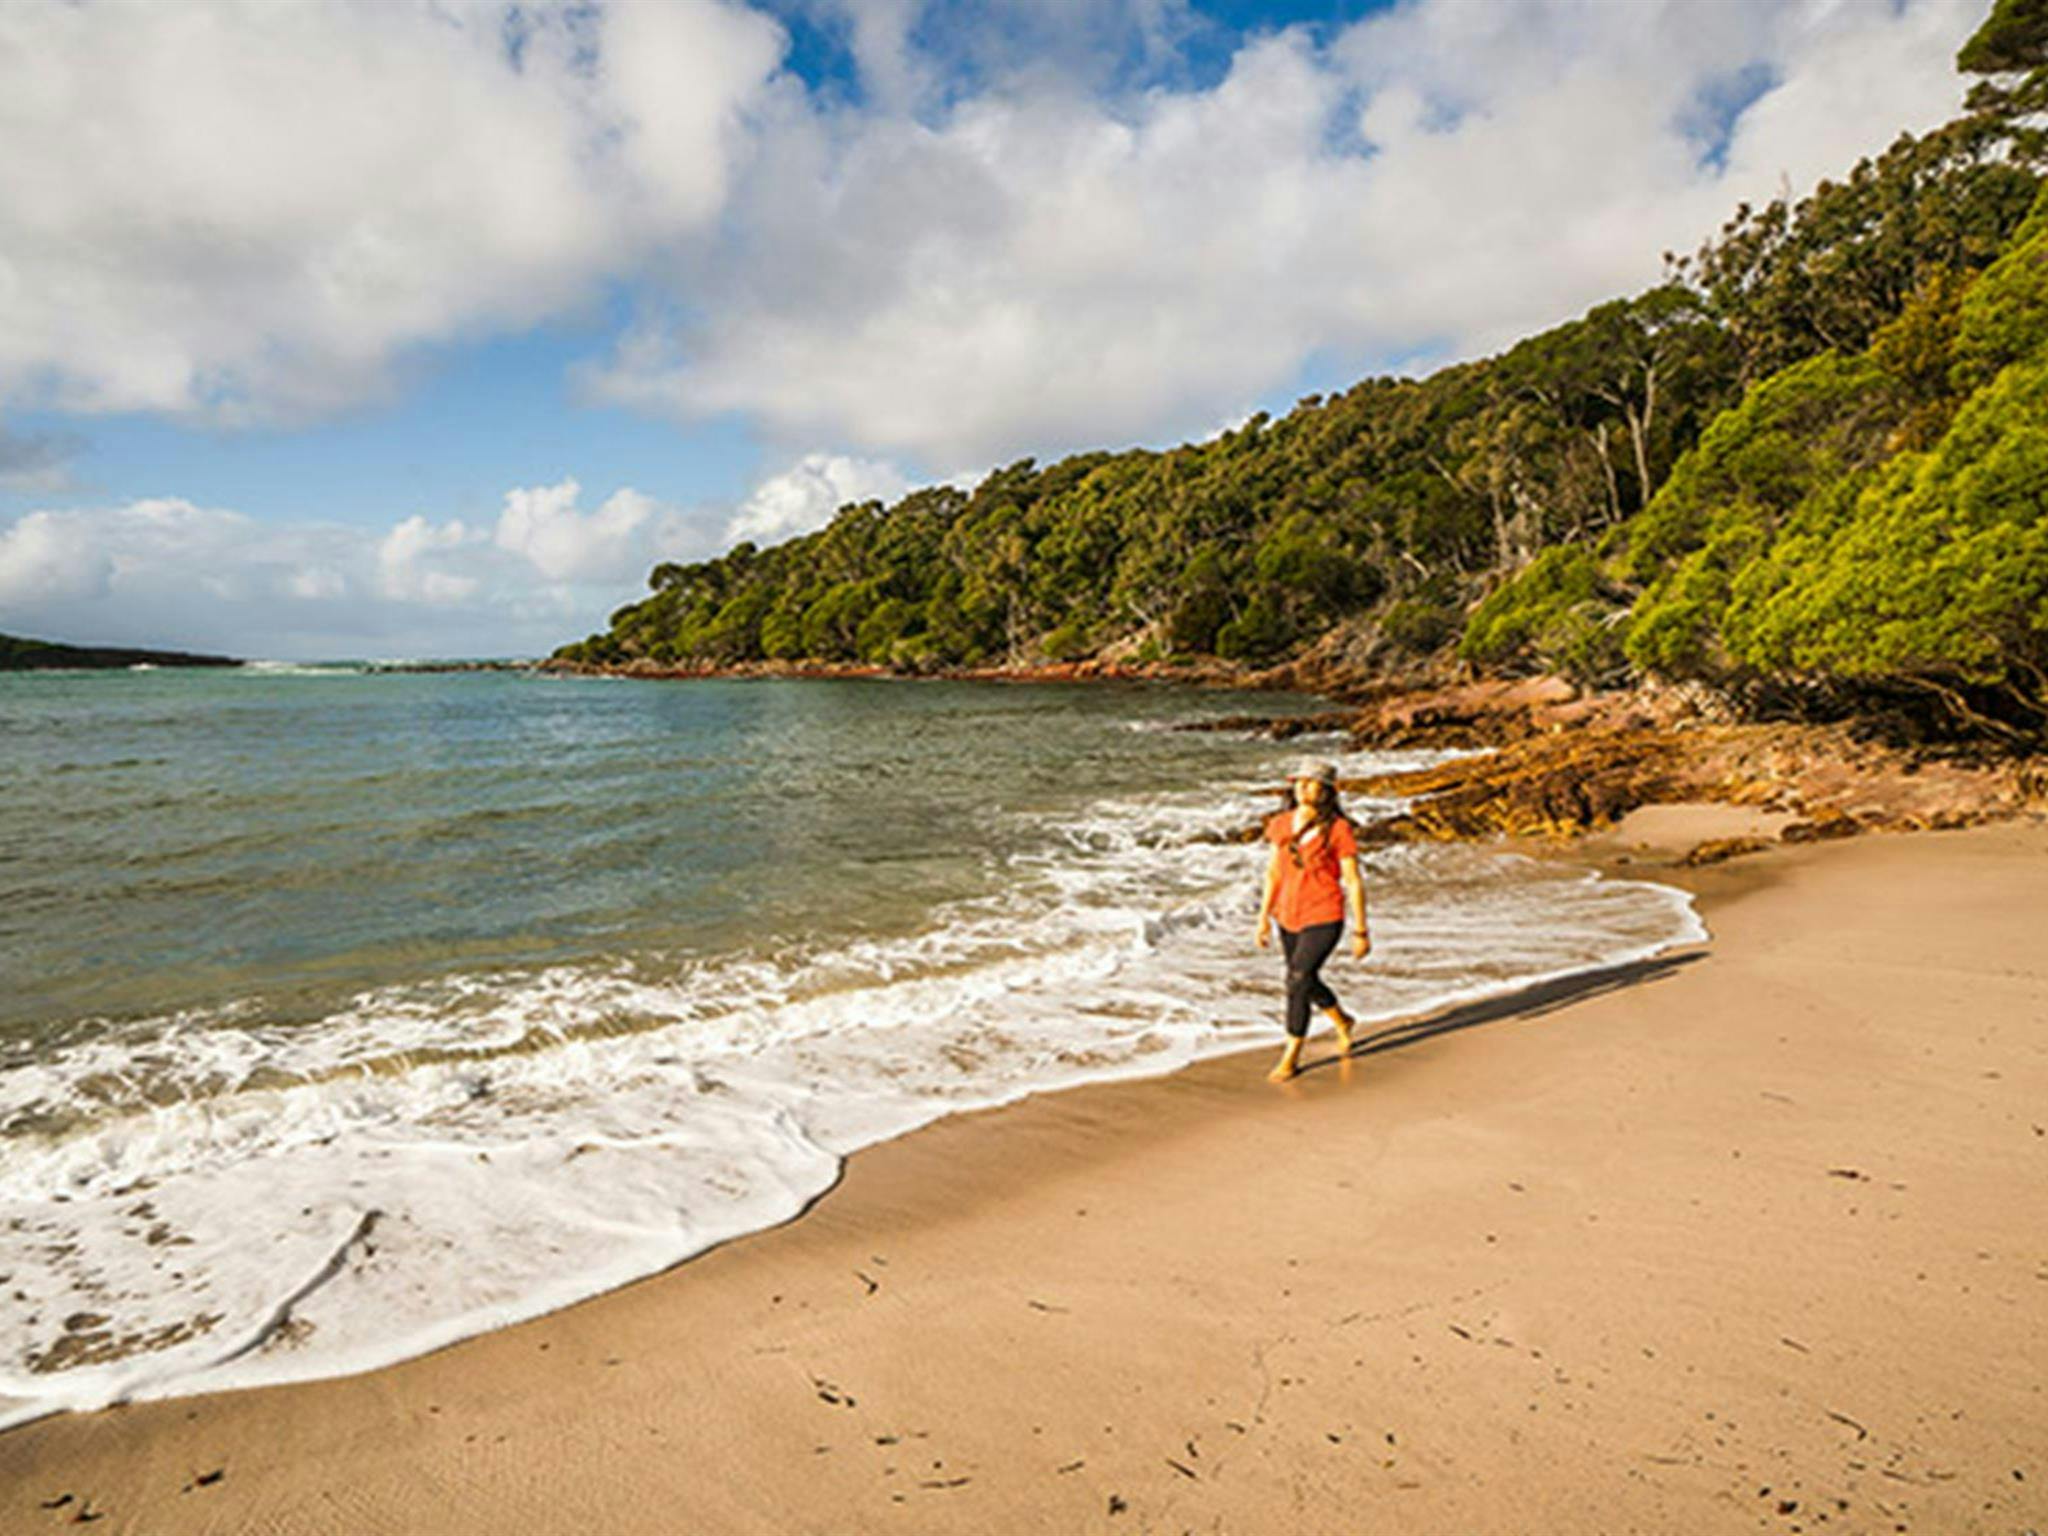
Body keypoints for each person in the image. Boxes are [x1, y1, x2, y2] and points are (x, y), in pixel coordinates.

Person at [1254, 757, 1369, 1082]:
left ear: (1326, 790)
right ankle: (1342, 1019)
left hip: (1325, 912)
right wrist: (1263, 917)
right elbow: (1273, 873)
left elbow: (1353, 880)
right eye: (1299, 781)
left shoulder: (1338, 829)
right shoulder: (1280, 823)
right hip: (1287, 913)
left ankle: (1291, 1054)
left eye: (1311, 781)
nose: (1302, 786)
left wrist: (1361, 931)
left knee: (1296, 979)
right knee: (1303, 979)